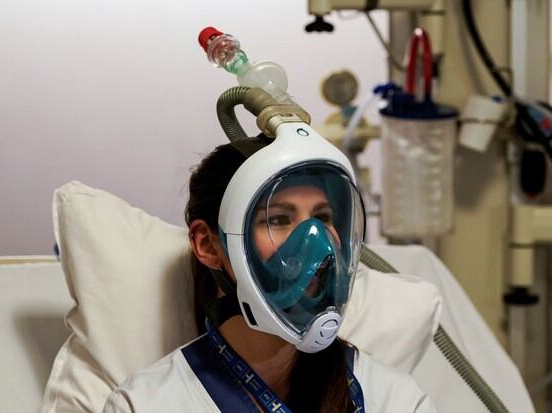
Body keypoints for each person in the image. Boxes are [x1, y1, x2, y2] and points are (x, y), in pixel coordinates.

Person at [102, 137, 435, 413]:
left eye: (323, 217)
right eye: (278, 220)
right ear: (208, 244)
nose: (315, 243)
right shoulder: (146, 404)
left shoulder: (394, 400)